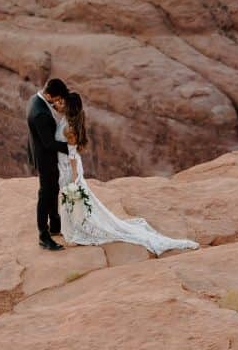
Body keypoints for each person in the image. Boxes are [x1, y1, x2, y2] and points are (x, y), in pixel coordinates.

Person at [57, 92, 199, 256]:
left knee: (75, 197)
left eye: (64, 103)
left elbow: (72, 154)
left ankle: (77, 230)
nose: (61, 104)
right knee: (72, 198)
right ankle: (73, 227)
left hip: (71, 167)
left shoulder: (70, 127)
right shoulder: (68, 122)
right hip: (66, 165)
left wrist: (75, 177)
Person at [26, 78, 70, 251]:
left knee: (53, 189)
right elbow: (49, 143)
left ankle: (55, 225)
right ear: (49, 95)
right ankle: (43, 236)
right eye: (57, 98)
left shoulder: (34, 99)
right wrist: (71, 148)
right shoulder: (41, 113)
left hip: (41, 154)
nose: (58, 102)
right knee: (45, 195)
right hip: (45, 159)